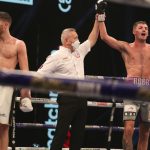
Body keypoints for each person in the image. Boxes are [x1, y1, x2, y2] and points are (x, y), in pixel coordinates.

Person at [37, 15, 99, 150]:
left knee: (78, 135)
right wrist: (55, 86)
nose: (78, 40)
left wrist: (98, 19)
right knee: (61, 133)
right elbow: (39, 75)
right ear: (67, 41)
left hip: (82, 97)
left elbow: (92, 38)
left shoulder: (79, 52)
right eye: (75, 38)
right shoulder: (56, 56)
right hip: (67, 97)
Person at [96, 0, 150, 150]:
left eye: (146, 28)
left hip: (148, 90)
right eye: (140, 27)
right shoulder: (126, 47)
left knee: (145, 132)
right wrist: (101, 14)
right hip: (131, 90)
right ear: (134, 31)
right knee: (128, 130)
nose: (144, 29)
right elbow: (105, 37)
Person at [0, 11, 33, 150]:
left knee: (3, 126)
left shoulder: (18, 44)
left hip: (6, 87)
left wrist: (26, 95)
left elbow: (25, 72)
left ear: (5, 24)